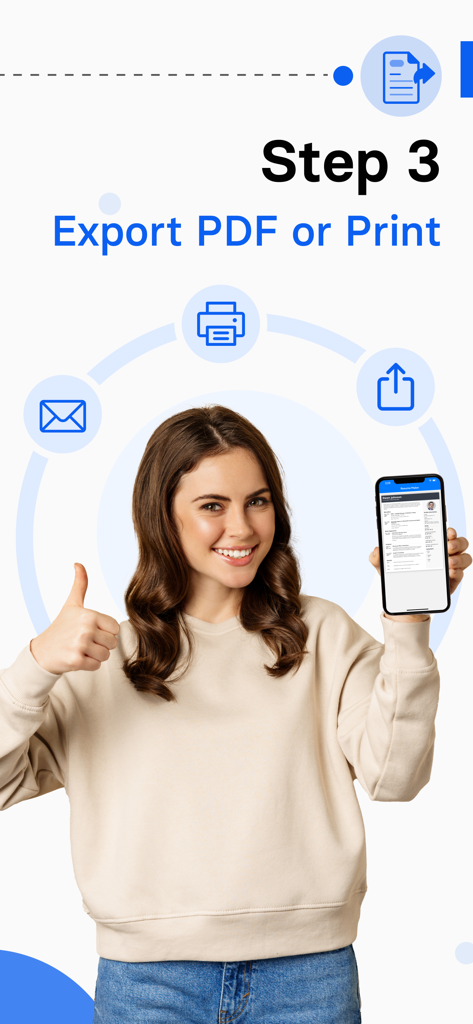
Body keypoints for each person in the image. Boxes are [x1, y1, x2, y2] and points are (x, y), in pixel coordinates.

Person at [0, 405, 471, 1024]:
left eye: (259, 500)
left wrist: (409, 627)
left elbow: (395, 777)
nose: (243, 527)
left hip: (310, 974)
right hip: (147, 982)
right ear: (161, 515)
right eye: (213, 505)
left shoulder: (324, 633)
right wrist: (35, 665)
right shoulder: (99, 653)